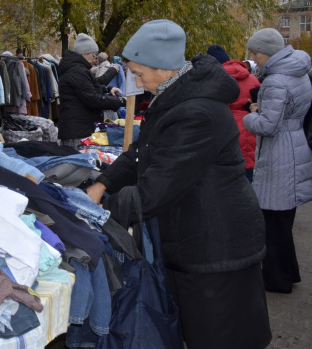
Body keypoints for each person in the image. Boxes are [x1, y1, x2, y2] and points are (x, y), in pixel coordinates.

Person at [86, 19, 271, 349]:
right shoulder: (174, 97)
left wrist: (97, 210)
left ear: (163, 66)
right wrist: (102, 183)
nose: (137, 82)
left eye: (140, 73)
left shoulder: (195, 112)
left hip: (216, 248)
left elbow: (154, 192)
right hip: (196, 236)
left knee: (220, 336)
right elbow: (141, 152)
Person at [242, 27, 312, 294]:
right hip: (295, 144)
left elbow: (268, 126)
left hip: (278, 151)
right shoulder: (298, 71)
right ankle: (288, 272)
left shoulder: (274, 80)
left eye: (255, 53)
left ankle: (276, 279)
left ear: (267, 53)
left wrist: (250, 116)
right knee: (283, 221)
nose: (254, 58)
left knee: (272, 222)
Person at [56, 33, 125, 147]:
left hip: (77, 128)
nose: (95, 59)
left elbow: (89, 87)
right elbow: (93, 99)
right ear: (85, 53)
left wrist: (108, 88)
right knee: (78, 162)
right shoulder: (77, 71)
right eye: (94, 55)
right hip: (77, 132)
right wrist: (122, 102)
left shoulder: (77, 69)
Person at [206, 44, 260, 182]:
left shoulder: (213, 81)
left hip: (226, 131)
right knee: (250, 176)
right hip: (251, 129)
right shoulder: (253, 79)